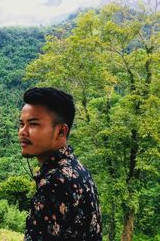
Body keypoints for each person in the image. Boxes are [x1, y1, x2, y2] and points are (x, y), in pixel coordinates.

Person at [18, 87, 102, 241]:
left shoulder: (54, 183)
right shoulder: (76, 169)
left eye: (33, 124)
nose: (23, 132)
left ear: (61, 132)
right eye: (21, 124)